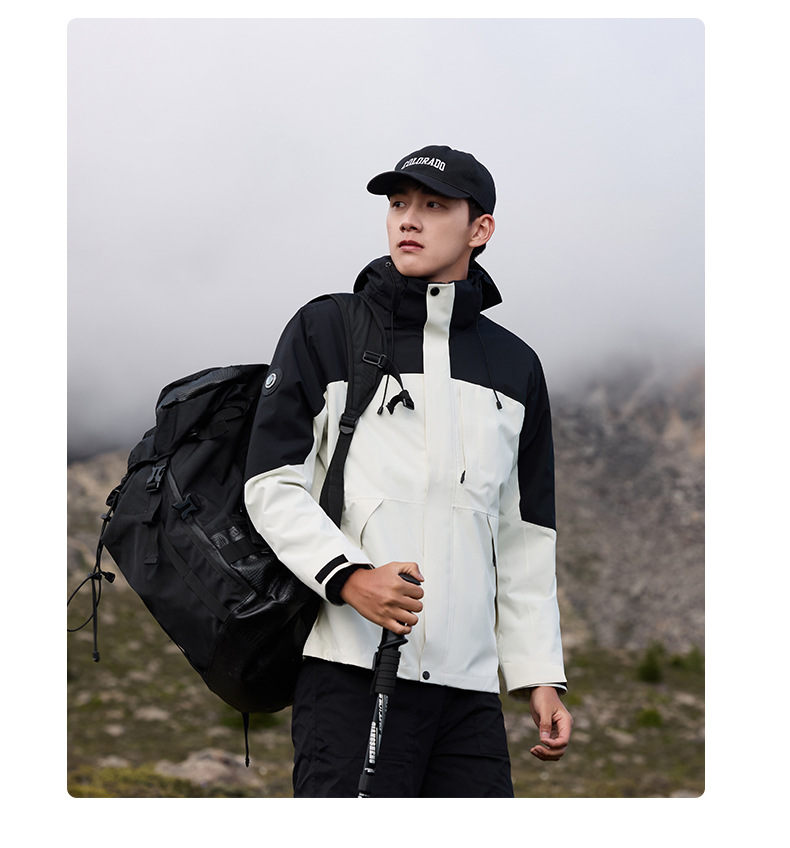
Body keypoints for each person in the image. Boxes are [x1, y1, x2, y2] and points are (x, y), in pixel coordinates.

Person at [244, 144, 572, 797]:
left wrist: (539, 674)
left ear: (480, 229)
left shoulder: (518, 366)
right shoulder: (327, 329)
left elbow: (524, 535)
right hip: (348, 673)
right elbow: (270, 485)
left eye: (434, 206)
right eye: (398, 204)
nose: (408, 220)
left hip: (469, 696)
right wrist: (349, 577)